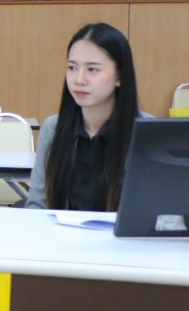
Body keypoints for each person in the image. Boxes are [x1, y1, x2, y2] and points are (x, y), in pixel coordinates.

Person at [26, 23, 142, 211]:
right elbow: (37, 204)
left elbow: (157, 212)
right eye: (72, 67)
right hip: (59, 230)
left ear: (119, 76)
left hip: (122, 231)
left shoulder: (144, 133)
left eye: (92, 69)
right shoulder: (53, 128)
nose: (79, 79)